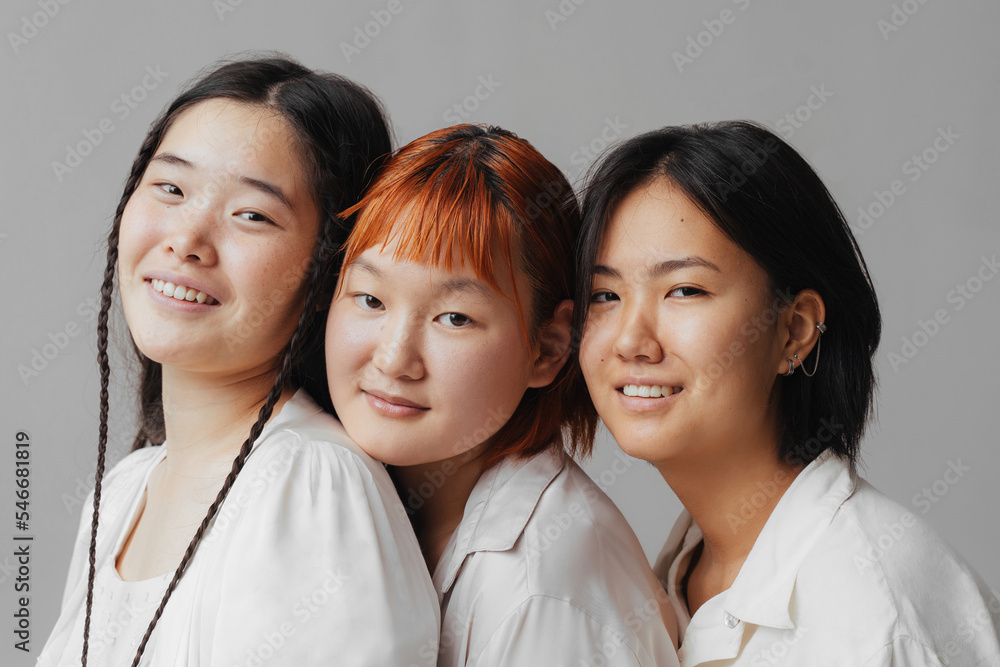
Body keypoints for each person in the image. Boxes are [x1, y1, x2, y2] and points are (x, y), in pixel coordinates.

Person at [38, 55, 439, 667]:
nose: (187, 240)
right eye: (171, 188)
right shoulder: (123, 493)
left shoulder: (309, 487)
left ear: (327, 267)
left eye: (251, 215)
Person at [575, 120, 1000, 666]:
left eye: (685, 289)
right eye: (604, 294)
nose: (631, 339)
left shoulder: (867, 615)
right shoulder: (690, 567)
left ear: (794, 330)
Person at [325, 124, 680, 667]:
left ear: (547, 348)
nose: (394, 357)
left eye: (454, 317)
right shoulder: (346, 494)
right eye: (370, 299)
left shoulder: (546, 586)